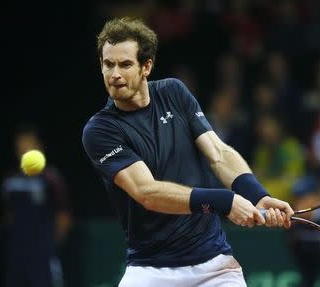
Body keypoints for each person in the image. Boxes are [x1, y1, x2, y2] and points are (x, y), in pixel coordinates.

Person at [82, 17, 294, 287]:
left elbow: (217, 153)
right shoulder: (100, 130)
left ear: (147, 66)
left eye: (125, 64)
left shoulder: (173, 92)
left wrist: (257, 195)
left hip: (215, 267)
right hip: (150, 270)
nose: (115, 75)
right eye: (107, 64)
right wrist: (223, 201)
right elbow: (147, 192)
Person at [1, 123, 73, 287]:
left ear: (39, 146)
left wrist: (48, 248)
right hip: (16, 256)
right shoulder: (9, 180)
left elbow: (64, 218)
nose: (23, 148)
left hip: (43, 256)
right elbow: (9, 215)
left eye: (28, 144)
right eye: (20, 144)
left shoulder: (52, 178)